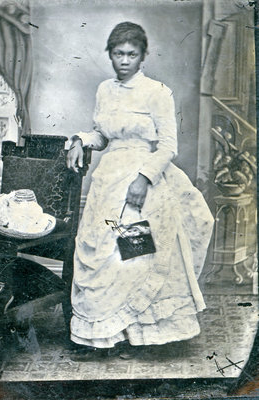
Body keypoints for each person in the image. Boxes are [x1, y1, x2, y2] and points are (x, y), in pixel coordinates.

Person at [67, 22, 213, 359]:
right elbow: (102, 136)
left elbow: (167, 146)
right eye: (118, 54)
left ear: (143, 56)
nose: (124, 60)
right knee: (103, 253)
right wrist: (80, 139)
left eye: (131, 54)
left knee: (134, 253)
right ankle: (105, 336)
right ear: (110, 55)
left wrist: (143, 179)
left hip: (141, 183)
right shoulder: (105, 90)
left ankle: (142, 336)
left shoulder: (157, 92)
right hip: (106, 182)